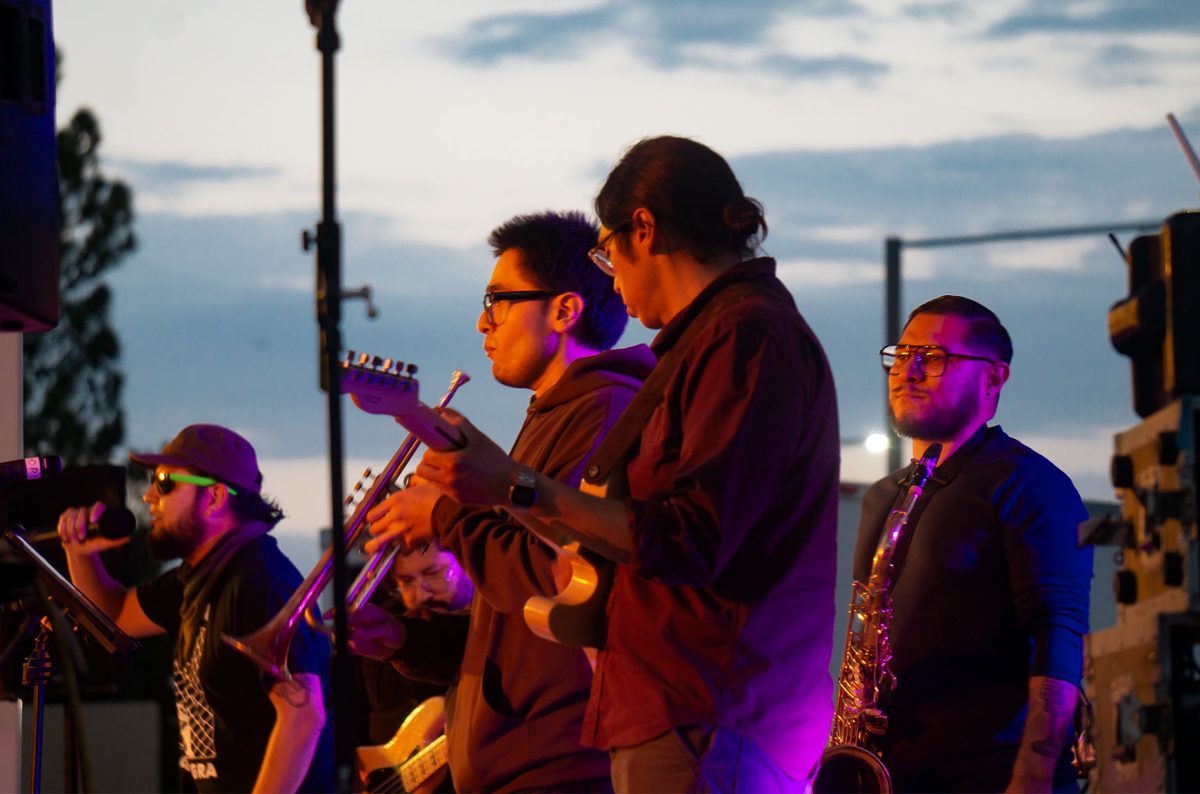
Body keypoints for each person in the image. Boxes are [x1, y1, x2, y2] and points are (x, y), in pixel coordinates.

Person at [387, 136, 841, 791]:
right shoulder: (704, 343)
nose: (611, 275)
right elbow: (611, 555)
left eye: (608, 250)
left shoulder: (746, 336)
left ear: (645, 228)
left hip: (710, 716)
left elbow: (688, 538)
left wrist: (510, 488)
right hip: (680, 714)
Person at [359, 209, 655, 791]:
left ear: (565, 310)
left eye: (497, 300)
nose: (481, 322)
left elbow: (559, 582)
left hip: (558, 764)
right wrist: (405, 639)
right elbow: (514, 627)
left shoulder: (603, 413)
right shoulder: (557, 413)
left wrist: (443, 516)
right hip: (521, 760)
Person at [851, 295, 1092, 792]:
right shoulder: (881, 498)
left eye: (934, 357)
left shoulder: (1030, 484)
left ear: (994, 377)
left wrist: (1034, 773)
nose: (908, 371)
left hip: (994, 777)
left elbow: (1059, 635)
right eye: (902, 353)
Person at [56, 424, 332, 793]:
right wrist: (81, 554)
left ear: (216, 497)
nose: (151, 496)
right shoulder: (194, 579)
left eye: (166, 480)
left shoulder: (258, 579)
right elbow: (116, 615)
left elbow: (303, 715)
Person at [350, 541, 473, 793]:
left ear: (467, 564)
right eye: (406, 581)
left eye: (435, 573)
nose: (422, 593)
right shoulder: (384, 624)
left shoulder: (486, 634)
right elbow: (355, 713)